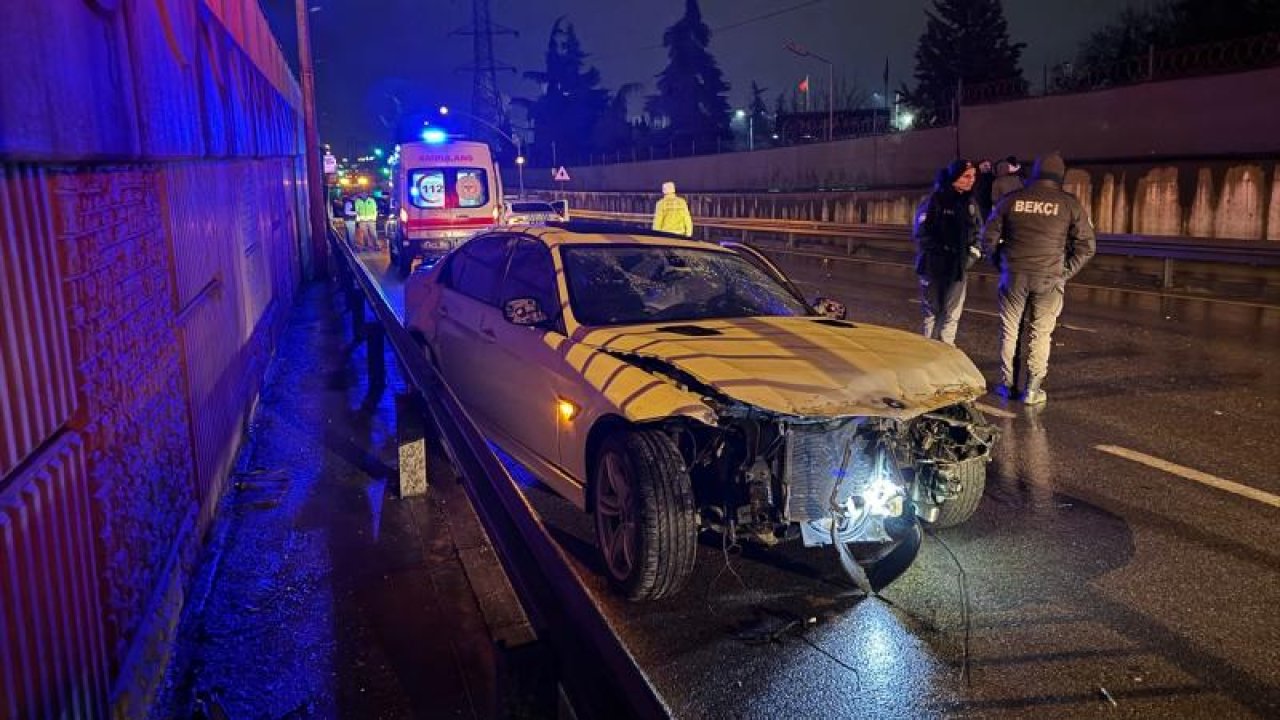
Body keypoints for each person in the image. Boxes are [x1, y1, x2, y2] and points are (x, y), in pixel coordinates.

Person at [983, 152, 1096, 404]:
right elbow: (1087, 246)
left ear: (1034, 174)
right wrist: (1063, 272)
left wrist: (1001, 263)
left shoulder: (1010, 200)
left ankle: (1007, 385)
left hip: (1013, 275)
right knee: (1040, 332)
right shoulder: (1069, 204)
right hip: (1048, 278)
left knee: (1009, 330)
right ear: (1060, 176)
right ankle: (1032, 390)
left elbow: (988, 238)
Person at [912, 158, 982, 345]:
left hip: (957, 269)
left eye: (973, 176)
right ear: (954, 177)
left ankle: (945, 354)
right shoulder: (933, 201)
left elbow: (977, 234)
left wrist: (970, 258)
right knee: (932, 315)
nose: (971, 180)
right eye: (966, 176)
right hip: (933, 267)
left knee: (951, 317)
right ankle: (928, 353)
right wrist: (939, 253)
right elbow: (921, 234)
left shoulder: (970, 204)